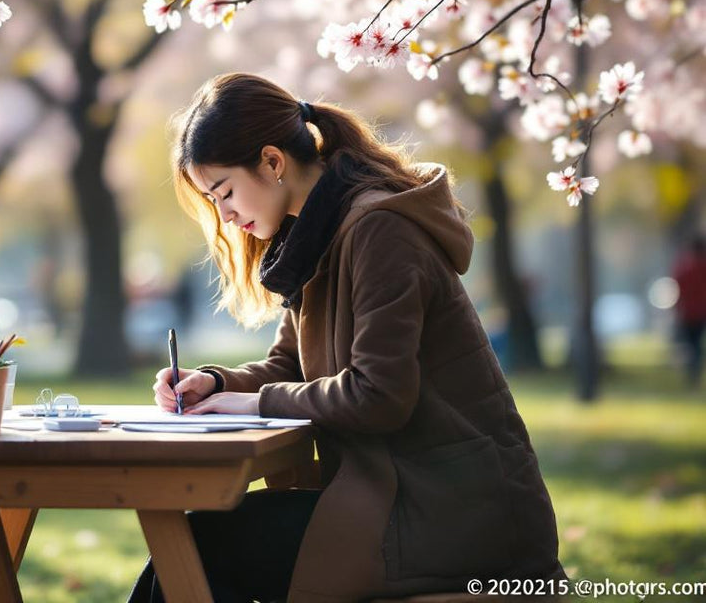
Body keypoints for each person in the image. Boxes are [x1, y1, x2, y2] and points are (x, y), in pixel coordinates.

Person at [130, 73, 565, 603]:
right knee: (186, 551)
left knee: (195, 551)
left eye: (223, 192)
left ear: (272, 162)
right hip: (390, 493)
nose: (224, 215)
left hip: (449, 514)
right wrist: (214, 383)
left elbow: (379, 396)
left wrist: (249, 400)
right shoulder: (319, 231)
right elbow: (291, 365)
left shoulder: (380, 229)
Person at [671, 233, 706, 387]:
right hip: (702, 312)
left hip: (687, 313)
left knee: (691, 344)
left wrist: (677, 308)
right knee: (696, 344)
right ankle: (695, 371)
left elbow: (677, 289)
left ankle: (692, 372)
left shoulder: (684, 267)